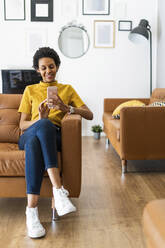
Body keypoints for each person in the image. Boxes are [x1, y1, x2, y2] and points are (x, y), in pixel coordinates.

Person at [18, 47, 93, 238]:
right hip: (30, 132)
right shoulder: (30, 90)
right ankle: (58, 190)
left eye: (51, 67)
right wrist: (41, 118)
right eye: (43, 68)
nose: (47, 71)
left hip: (53, 136)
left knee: (37, 142)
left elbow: (90, 115)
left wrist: (66, 107)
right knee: (42, 126)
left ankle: (31, 213)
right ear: (37, 70)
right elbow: (22, 124)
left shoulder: (67, 89)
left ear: (57, 67)